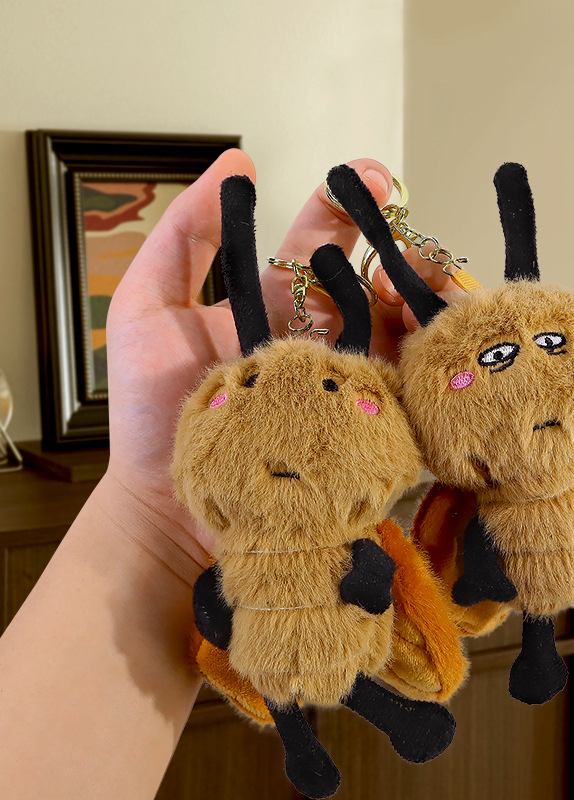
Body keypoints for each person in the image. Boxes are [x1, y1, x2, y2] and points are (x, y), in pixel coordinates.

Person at [0, 150, 460, 800]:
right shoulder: (212, 445)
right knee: (276, 666)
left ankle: (370, 718)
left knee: (334, 663)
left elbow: (372, 575)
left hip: (313, 619)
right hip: (260, 620)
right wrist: (155, 525)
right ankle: (318, 736)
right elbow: (367, 579)